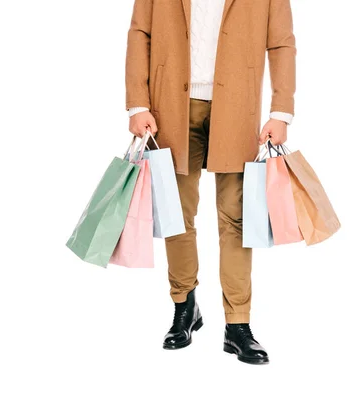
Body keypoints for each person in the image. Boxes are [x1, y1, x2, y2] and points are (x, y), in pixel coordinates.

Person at [125, 0, 296, 365]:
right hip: (171, 104)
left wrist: (281, 111)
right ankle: (184, 306)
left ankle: (238, 325)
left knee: (237, 217)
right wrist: (137, 103)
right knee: (176, 214)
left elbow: (281, 41)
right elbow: (140, 31)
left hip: (237, 106)